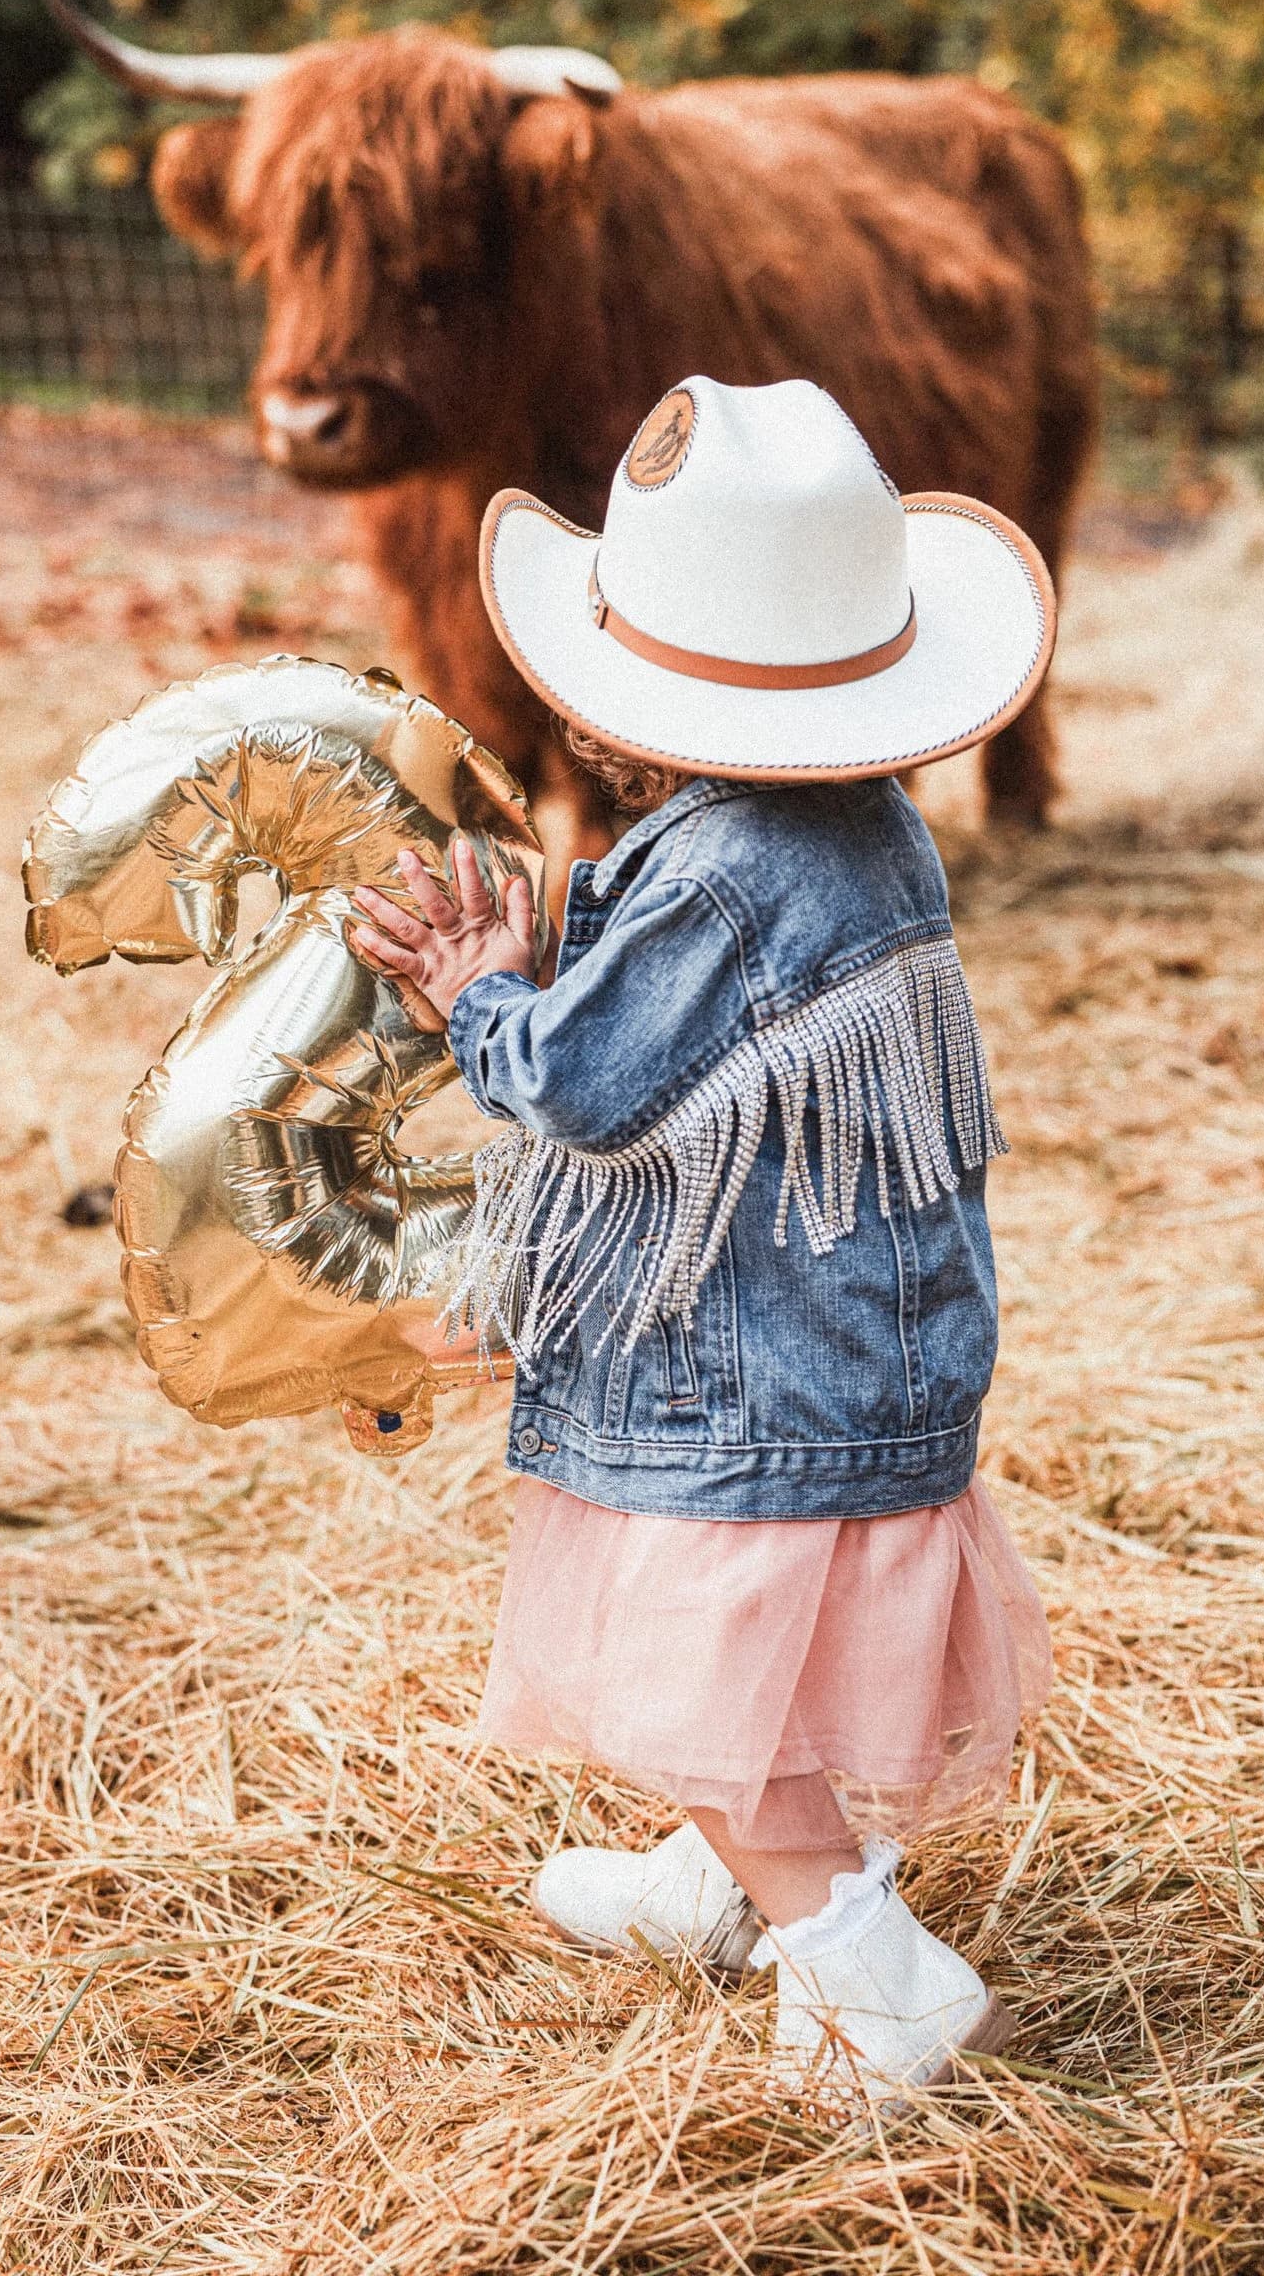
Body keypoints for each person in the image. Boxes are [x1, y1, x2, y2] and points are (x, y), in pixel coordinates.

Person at [352, 375, 1055, 2122]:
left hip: (753, 1370)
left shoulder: (731, 865)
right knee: (760, 1656)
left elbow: (588, 1087)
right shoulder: (856, 825)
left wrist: (484, 998)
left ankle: (859, 1964)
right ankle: (718, 1872)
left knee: (687, 1652)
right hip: (851, 1341)